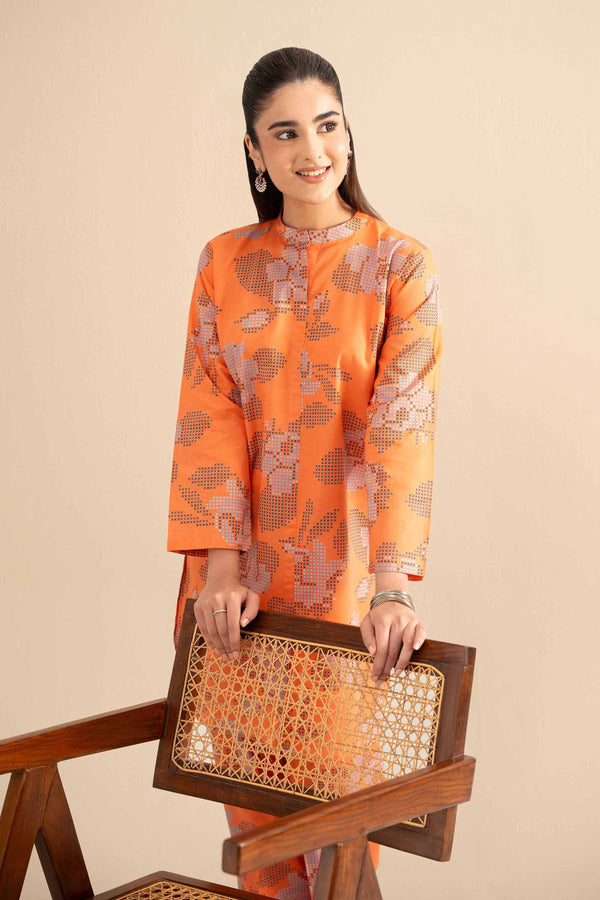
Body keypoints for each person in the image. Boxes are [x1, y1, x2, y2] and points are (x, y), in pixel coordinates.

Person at [166, 46, 443, 900]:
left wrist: (392, 584)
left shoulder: (399, 266)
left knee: (337, 831)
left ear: (348, 132)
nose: (311, 149)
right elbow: (209, 415)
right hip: (237, 589)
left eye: (326, 125)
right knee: (258, 830)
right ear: (255, 151)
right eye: (284, 133)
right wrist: (219, 571)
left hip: (345, 585)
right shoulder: (225, 262)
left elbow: (401, 429)